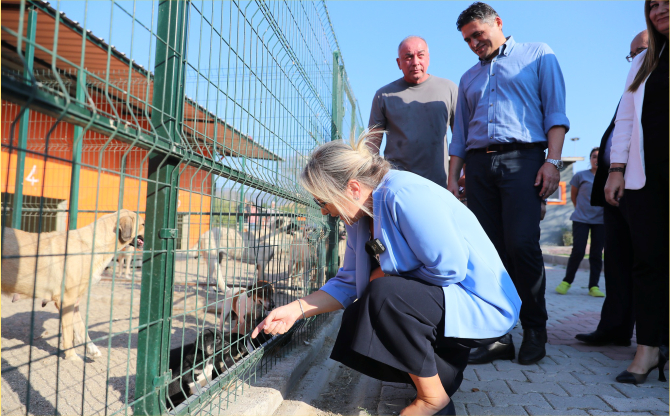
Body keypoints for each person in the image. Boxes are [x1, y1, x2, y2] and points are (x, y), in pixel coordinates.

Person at [253, 133, 521, 416]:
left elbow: (449, 267)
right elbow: (347, 283)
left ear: (353, 187)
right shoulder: (360, 217)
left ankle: (433, 401)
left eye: (324, 201)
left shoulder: (403, 193)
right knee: (362, 312)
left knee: (383, 296)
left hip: (480, 302)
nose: (325, 211)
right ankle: (439, 375)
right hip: (445, 303)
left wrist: (381, 274)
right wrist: (295, 310)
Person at [447, 2, 569, 365]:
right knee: (490, 253)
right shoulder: (467, 78)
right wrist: (453, 178)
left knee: (521, 244)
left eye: (478, 35)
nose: (474, 43)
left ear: (497, 23)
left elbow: (556, 113)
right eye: (468, 40)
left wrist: (552, 162)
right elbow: (460, 135)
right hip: (479, 167)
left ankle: (535, 329)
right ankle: (498, 335)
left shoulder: (538, 55)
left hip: (524, 159)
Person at [604, 0, 668, 385]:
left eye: (665, 2)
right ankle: (647, 349)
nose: (659, 10)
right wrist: (616, 170)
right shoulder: (642, 61)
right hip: (647, 175)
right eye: (652, 5)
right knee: (647, 261)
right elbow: (625, 120)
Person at [574, 30, 649, 348]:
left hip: (646, 188)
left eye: (643, 50)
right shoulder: (632, 87)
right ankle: (614, 329)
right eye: (633, 54)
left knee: (647, 264)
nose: (638, 58)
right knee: (616, 264)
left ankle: (653, 339)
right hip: (616, 192)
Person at [368, 36, 458, 188]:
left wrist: (459, 177)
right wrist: (370, 180)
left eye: (420, 55)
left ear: (428, 58)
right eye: (408, 57)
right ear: (399, 63)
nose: (415, 62)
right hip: (397, 185)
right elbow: (372, 143)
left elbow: (460, 138)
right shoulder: (383, 96)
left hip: (438, 186)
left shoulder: (449, 89)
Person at [555, 148, 605, 297]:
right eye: (594, 156)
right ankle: (566, 282)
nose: (596, 159)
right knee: (578, 251)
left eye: (599, 156)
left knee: (596, 254)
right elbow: (574, 196)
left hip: (601, 221)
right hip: (581, 219)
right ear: (590, 159)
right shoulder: (580, 176)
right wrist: (581, 210)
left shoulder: (608, 177)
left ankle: (594, 286)